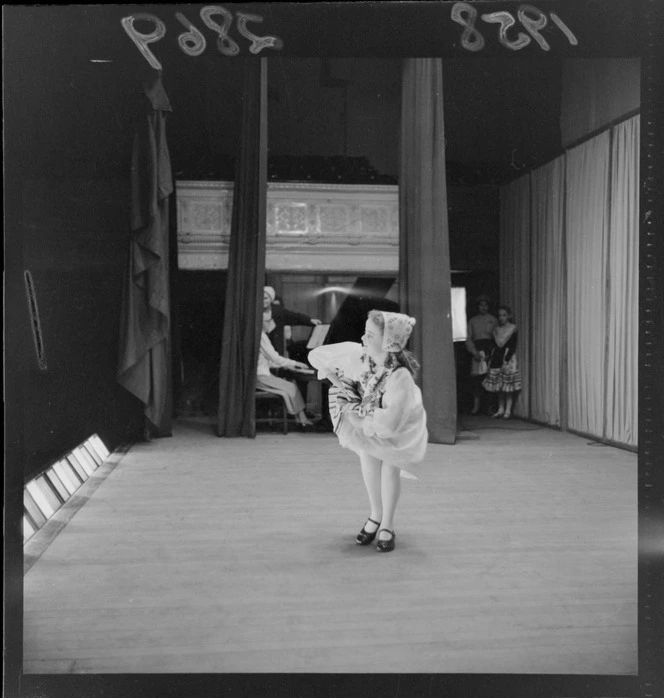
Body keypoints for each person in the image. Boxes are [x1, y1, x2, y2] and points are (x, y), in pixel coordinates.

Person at [308, 310, 428, 553]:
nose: (363, 338)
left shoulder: (399, 377)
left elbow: (391, 422)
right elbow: (317, 356)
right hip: (370, 415)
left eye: (370, 335)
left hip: (397, 422)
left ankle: (388, 523)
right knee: (369, 458)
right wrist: (341, 385)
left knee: (390, 463)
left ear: (387, 342)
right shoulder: (359, 356)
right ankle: (375, 514)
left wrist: (360, 420)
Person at [256, 330, 314, 427]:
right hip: (261, 377)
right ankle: (302, 419)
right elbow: (275, 358)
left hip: (262, 375)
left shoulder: (260, 335)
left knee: (291, 386)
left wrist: (286, 366)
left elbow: (267, 362)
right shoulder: (261, 335)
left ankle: (299, 419)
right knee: (292, 387)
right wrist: (295, 363)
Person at [482, 304, 522, 419]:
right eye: (499, 315)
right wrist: (489, 356)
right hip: (497, 357)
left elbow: (513, 345)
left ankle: (508, 410)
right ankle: (500, 409)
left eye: (504, 315)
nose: (501, 318)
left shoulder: (512, 328)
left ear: (508, 316)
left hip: (507, 357)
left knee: (507, 385)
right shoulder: (496, 330)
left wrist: (507, 359)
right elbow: (493, 345)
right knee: (499, 385)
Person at [263, 286, 322, 356]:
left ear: (271, 299)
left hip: (275, 350)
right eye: (261, 298)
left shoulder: (278, 311)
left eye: (265, 298)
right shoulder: (254, 312)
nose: (263, 301)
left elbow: (294, 316)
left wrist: (309, 320)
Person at [465, 294, 497, 415]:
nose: (483, 307)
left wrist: (492, 353)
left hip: (489, 349)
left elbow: (497, 337)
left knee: (490, 378)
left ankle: (490, 407)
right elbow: (468, 338)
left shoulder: (493, 320)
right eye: (481, 305)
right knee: (476, 379)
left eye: (485, 305)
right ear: (477, 306)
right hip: (477, 351)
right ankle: (476, 406)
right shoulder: (472, 321)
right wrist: (474, 352)